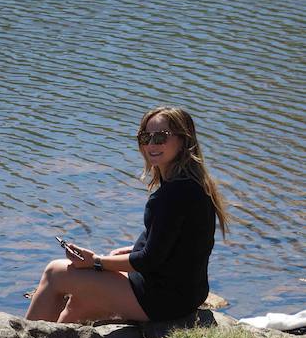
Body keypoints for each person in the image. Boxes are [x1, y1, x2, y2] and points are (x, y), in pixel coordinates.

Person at [25, 106, 228, 324]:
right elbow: (179, 245)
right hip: (186, 294)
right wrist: (132, 250)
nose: (151, 144)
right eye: (145, 137)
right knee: (79, 304)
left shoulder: (171, 195)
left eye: (161, 137)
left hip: (163, 300)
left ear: (183, 141)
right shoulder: (193, 185)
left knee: (55, 272)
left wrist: (96, 262)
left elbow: (149, 260)